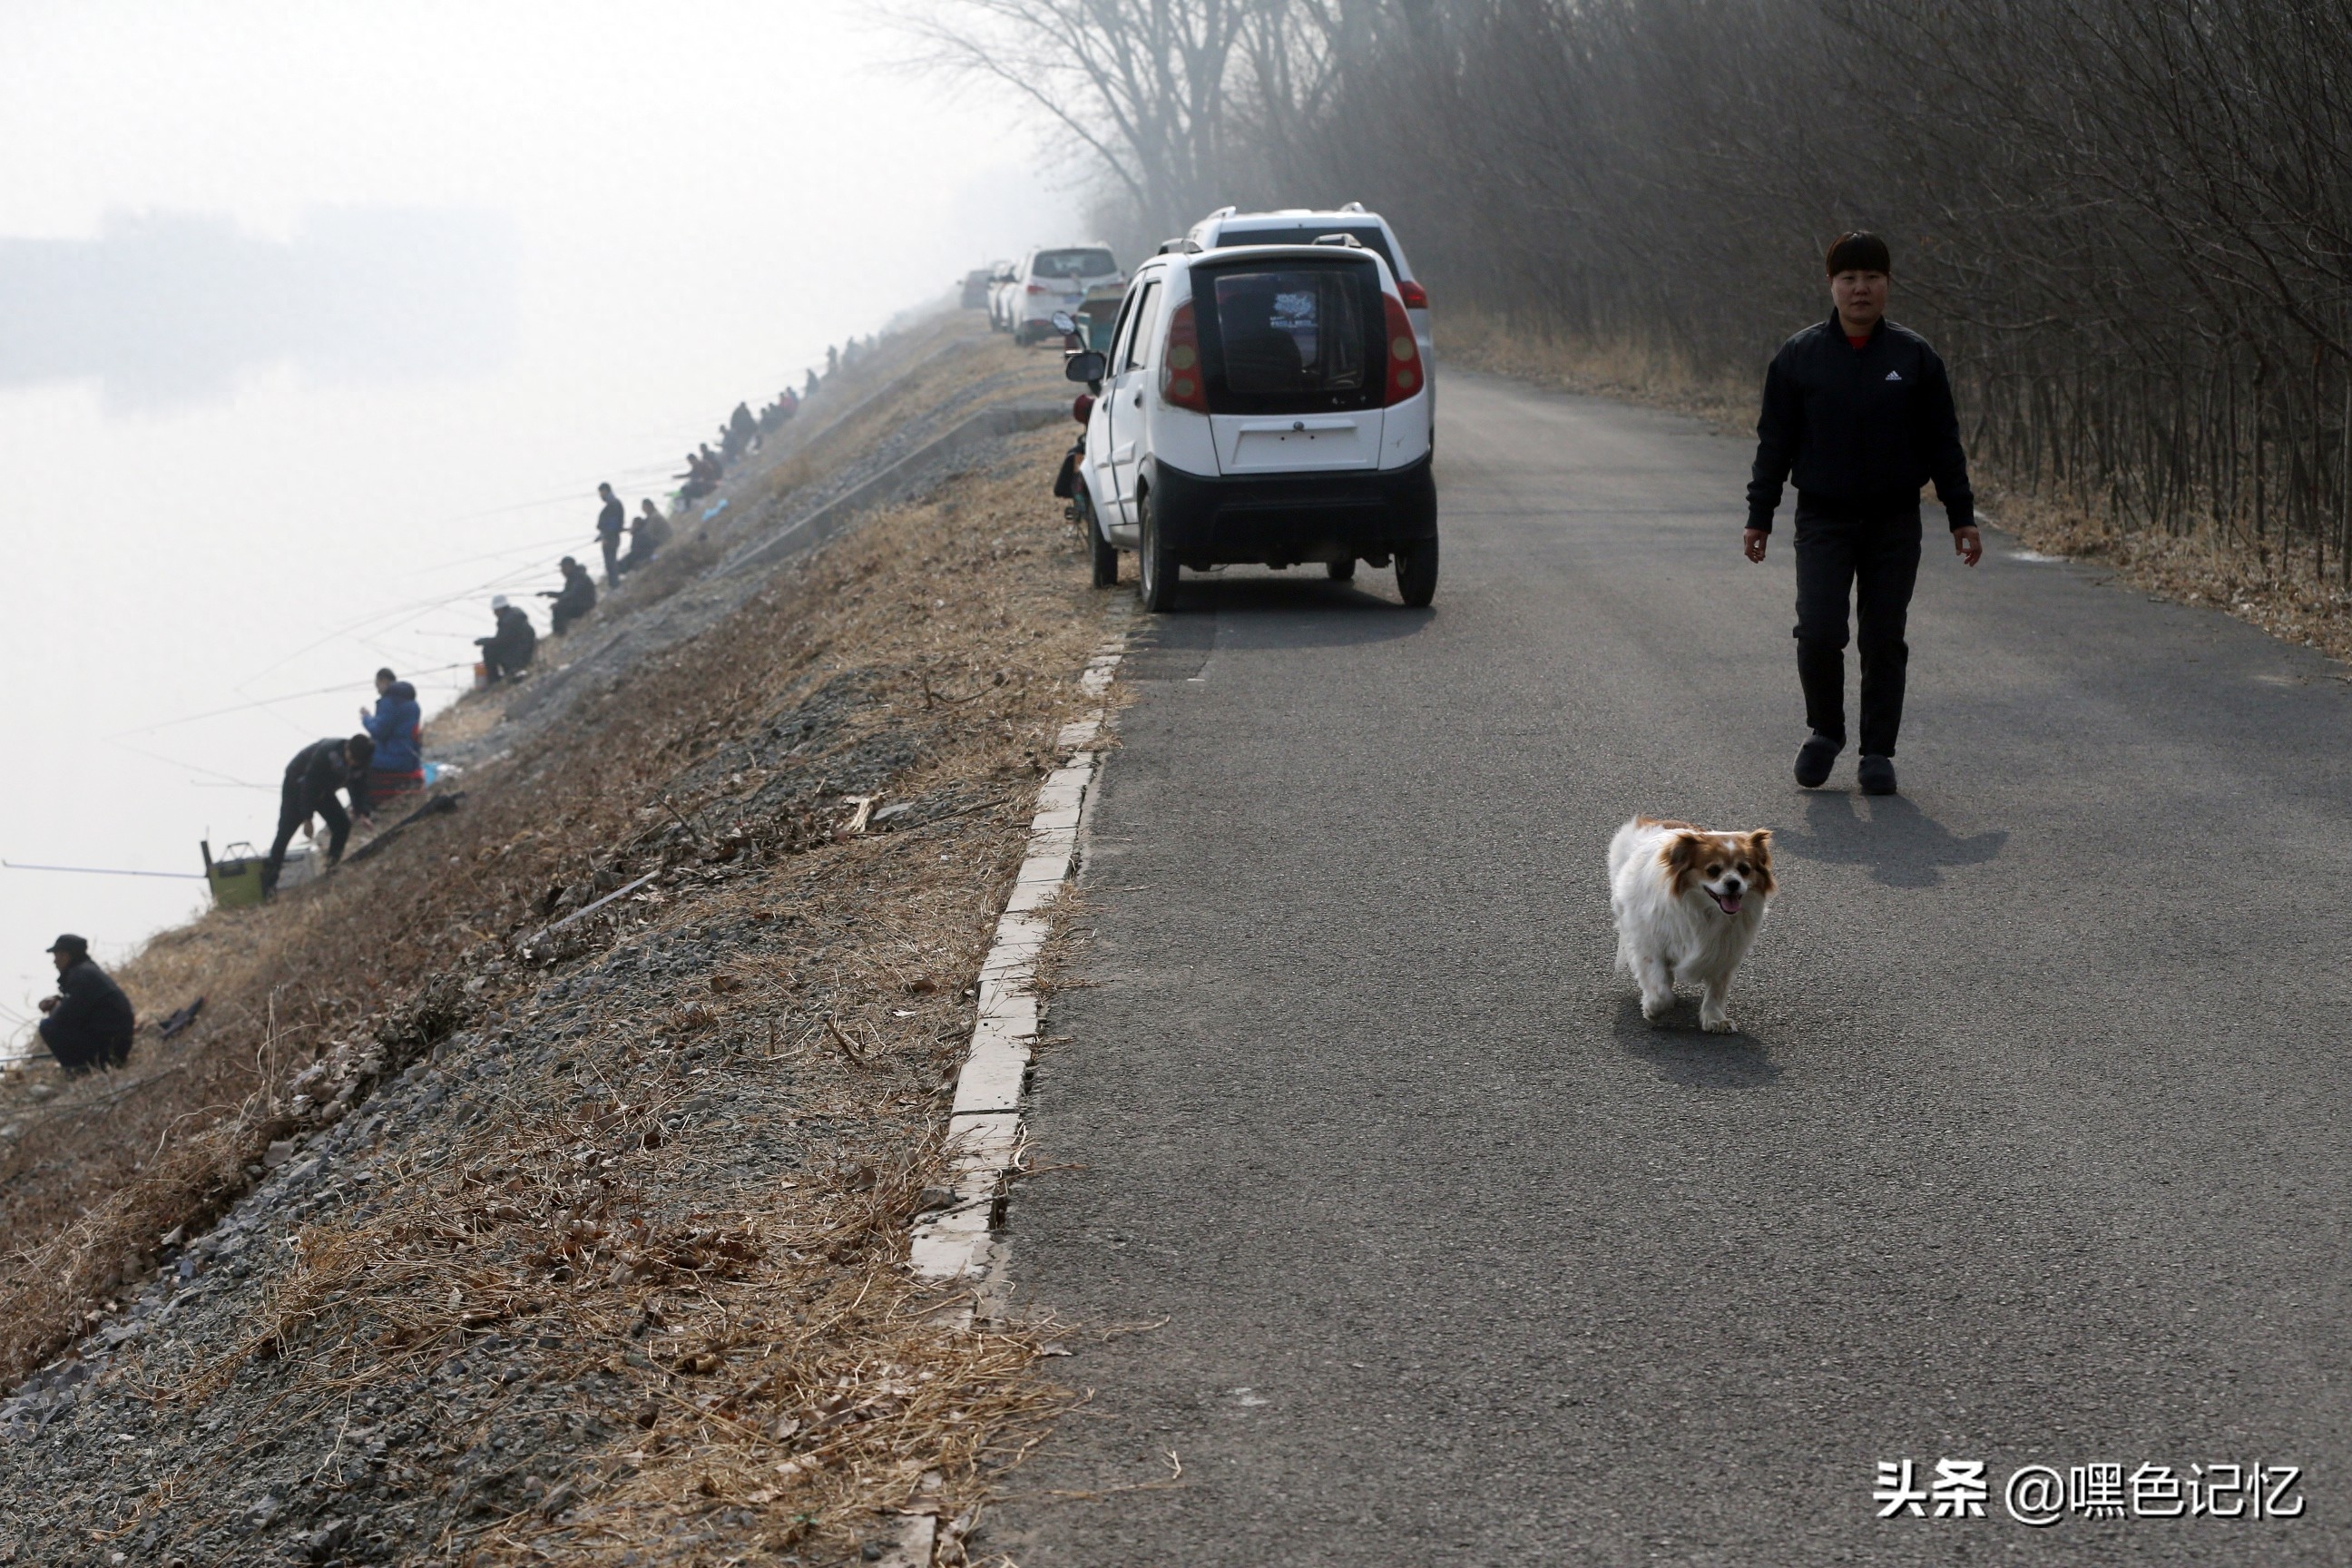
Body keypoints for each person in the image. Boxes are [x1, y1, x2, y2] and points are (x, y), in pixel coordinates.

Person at [1744, 230, 1980, 798]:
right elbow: (1774, 441)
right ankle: (1825, 734)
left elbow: (1942, 441)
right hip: (1822, 518)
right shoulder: (1800, 356)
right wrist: (1761, 514)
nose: (1860, 289)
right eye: (1849, 278)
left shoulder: (1914, 357)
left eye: (1872, 278)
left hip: (1895, 520)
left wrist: (1961, 515)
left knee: (1883, 637)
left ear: (1887, 285)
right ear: (1832, 285)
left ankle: (1878, 752)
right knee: (1820, 631)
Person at [262, 734, 375, 895]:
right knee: (285, 832)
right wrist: (308, 818)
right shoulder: (327, 753)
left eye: (356, 762)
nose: (351, 763)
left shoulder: (362, 760)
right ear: (347, 747)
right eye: (350, 758)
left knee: (342, 825)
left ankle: (332, 866)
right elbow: (309, 785)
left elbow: (359, 786)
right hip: (298, 784)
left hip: (324, 790)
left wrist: (362, 812)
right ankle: (269, 884)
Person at [35, 934, 134, 1074]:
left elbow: (64, 1017)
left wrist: (55, 1008)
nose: (55, 962)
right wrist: (59, 1001)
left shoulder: (80, 976)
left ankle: (80, 1070)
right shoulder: (88, 972)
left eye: (56, 956)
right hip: (118, 1044)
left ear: (66, 955)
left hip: (108, 1048)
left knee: (48, 1026)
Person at [359, 668, 425, 805]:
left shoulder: (389, 702)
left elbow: (378, 732)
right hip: (412, 760)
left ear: (383, 681)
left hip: (393, 759)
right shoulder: (413, 703)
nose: (377, 691)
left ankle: (363, 808)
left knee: (358, 764)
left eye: (377, 686)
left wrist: (366, 718)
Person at [476, 594, 536, 682]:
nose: (494, 613)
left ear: (500, 609)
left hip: (518, 655)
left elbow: (500, 641)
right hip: (525, 651)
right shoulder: (515, 614)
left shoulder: (508, 621)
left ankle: (494, 680)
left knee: (488, 650)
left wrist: (484, 641)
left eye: (495, 611)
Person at [540, 554, 597, 634]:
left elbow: (573, 593)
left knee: (558, 609)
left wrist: (559, 603)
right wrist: (548, 593)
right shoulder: (572, 577)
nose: (562, 571)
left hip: (585, 604)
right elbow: (565, 593)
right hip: (579, 603)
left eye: (563, 568)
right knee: (559, 607)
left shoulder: (579, 576)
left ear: (569, 566)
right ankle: (562, 632)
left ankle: (560, 634)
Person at [595, 481, 628, 588]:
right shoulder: (613, 504)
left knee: (611, 564)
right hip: (611, 537)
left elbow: (612, 524)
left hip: (611, 539)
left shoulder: (613, 504)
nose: (600, 496)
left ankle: (614, 586)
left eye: (601, 493)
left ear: (606, 491)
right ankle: (614, 585)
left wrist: (605, 536)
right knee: (610, 563)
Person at [624, 499, 671, 571]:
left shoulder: (655, 517)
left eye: (644, 507)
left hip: (662, 540)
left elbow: (647, 533)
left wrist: (634, 531)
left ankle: (639, 560)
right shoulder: (652, 515)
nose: (643, 510)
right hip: (659, 538)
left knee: (638, 538)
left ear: (649, 507)